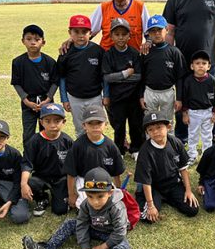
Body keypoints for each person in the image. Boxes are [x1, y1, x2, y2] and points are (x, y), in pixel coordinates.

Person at [22, 167, 131, 249]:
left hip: (110, 234)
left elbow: (120, 232)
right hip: (93, 228)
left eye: (100, 196)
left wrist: (102, 248)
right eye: (90, 196)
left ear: (110, 192)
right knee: (70, 223)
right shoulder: (85, 204)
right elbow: (82, 224)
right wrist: (85, 248)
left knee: (124, 246)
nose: (95, 202)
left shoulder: (117, 207)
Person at [163, 0, 215, 143]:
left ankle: (213, 137)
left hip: (207, 64)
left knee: (210, 100)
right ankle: (182, 138)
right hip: (182, 63)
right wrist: (168, 58)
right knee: (182, 100)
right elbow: (170, 32)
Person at [134, 111, 199, 223]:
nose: (155, 132)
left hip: (173, 184)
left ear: (168, 127)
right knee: (148, 218)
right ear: (147, 132)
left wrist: (188, 190)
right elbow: (146, 181)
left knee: (192, 210)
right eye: (151, 129)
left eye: (159, 127)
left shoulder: (175, 142)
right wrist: (150, 205)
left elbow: (183, 169)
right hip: (155, 186)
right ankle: (142, 197)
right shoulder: (145, 151)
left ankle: (169, 199)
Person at [64, 105, 125, 209]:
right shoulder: (78, 145)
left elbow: (116, 173)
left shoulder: (110, 146)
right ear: (84, 125)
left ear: (106, 124)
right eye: (90, 123)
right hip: (85, 180)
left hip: (104, 181)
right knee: (85, 204)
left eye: (99, 123)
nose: (95, 126)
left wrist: (119, 189)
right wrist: (71, 194)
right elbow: (71, 173)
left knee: (112, 202)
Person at [102, 18, 144, 160]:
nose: (120, 37)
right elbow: (107, 77)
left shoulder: (134, 53)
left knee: (135, 124)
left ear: (129, 35)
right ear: (111, 36)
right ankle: (119, 150)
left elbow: (138, 76)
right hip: (117, 97)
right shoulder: (109, 54)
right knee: (119, 126)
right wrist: (125, 74)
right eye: (117, 34)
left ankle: (136, 148)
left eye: (123, 34)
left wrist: (118, 78)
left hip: (133, 96)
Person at [20, 103, 73, 217]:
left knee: (60, 210)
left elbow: (73, 167)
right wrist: (23, 184)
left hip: (61, 179)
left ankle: (58, 194)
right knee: (30, 182)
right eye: (48, 121)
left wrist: (72, 191)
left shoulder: (67, 141)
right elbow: (26, 164)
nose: (52, 125)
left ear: (64, 122)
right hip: (41, 177)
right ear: (41, 122)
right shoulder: (34, 141)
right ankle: (42, 198)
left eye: (57, 121)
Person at [11, 24, 58, 149]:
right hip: (28, 104)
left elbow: (54, 82)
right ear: (23, 41)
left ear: (43, 42)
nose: (33, 42)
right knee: (28, 134)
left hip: (46, 103)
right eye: (29, 39)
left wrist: (48, 99)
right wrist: (26, 101)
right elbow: (16, 83)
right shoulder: (18, 62)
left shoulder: (50, 62)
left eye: (37, 39)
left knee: (48, 132)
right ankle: (28, 161)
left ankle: (47, 157)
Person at [58, 15, 105, 137]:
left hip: (95, 97)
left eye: (84, 32)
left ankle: (97, 153)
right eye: (76, 32)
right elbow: (62, 78)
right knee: (80, 128)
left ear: (90, 33)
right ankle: (82, 153)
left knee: (96, 127)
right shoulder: (65, 52)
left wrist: (107, 95)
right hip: (75, 98)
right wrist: (64, 98)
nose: (80, 35)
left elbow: (104, 76)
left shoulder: (98, 51)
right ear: (70, 32)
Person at [140, 15, 187, 132]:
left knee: (168, 121)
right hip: (150, 92)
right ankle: (150, 146)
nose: (156, 34)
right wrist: (141, 96)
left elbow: (180, 78)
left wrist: (179, 98)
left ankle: (169, 146)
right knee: (149, 121)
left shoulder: (174, 52)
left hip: (167, 92)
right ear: (148, 34)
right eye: (153, 31)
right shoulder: (146, 52)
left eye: (159, 30)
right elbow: (141, 77)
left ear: (166, 30)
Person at [182, 50, 215, 165]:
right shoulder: (188, 81)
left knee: (207, 135)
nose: (200, 65)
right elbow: (185, 98)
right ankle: (192, 155)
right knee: (192, 134)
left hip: (208, 112)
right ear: (192, 66)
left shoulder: (212, 81)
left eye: (204, 63)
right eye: (197, 63)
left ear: (209, 66)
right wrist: (185, 113)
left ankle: (206, 155)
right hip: (193, 112)